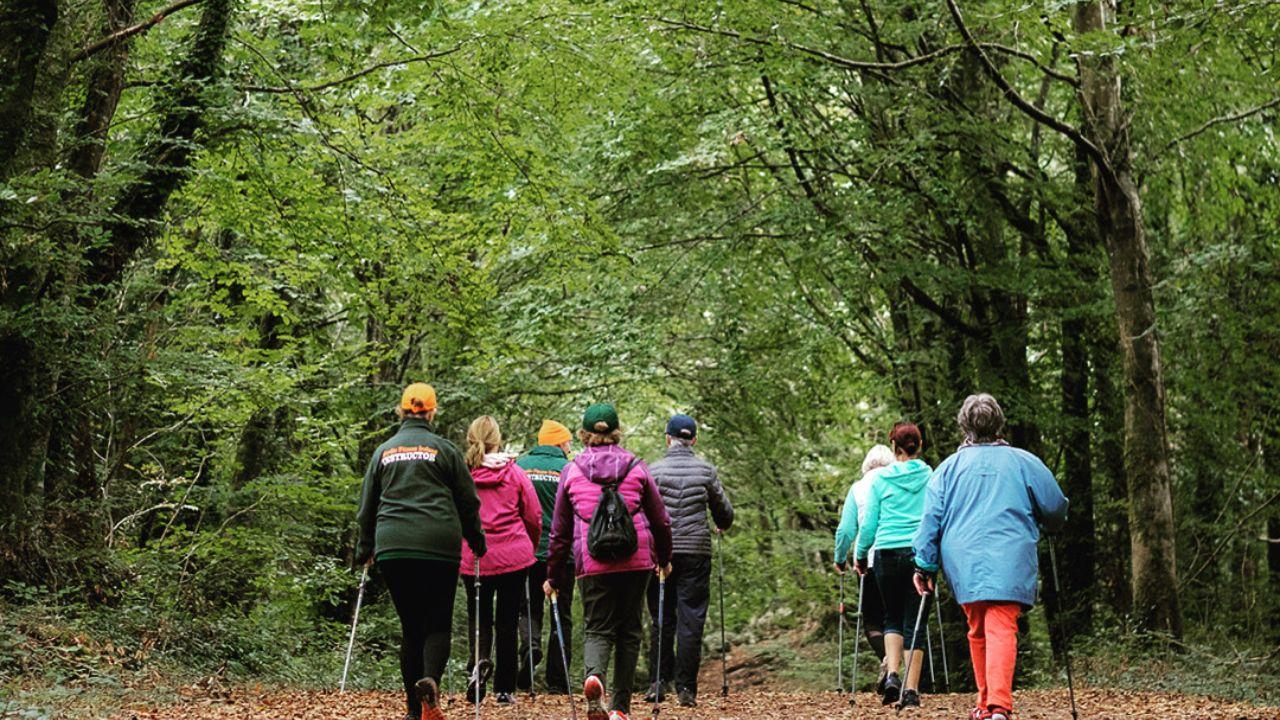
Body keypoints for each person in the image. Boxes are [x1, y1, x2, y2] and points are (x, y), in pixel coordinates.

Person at [913, 394, 1068, 720]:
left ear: (964, 427)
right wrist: (1049, 522)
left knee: (979, 627)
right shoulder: (1024, 462)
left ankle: (990, 705)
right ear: (999, 424)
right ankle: (996, 706)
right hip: (1010, 556)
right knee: (999, 626)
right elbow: (1055, 507)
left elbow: (930, 519)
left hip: (963, 561)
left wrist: (924, 564)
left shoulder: (947, 469)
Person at [355, 383, 485, 720]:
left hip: (394, 546)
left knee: (411, 626)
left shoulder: (383, 451)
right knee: (438, 622)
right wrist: (476, 538)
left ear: (401, 411)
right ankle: (431, 688)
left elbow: (367, 505)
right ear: (431, 411)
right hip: (438, 545)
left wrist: (365, 546)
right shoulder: (444, 450)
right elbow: (467, 500)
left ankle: (415, 711)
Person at [544, 403, 673, 720]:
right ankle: (620, 709)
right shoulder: (637, 467)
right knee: (629, 631)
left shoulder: (571, 471)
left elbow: (559, 533)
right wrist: (664, 559)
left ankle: (594, 678)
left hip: (592, 561)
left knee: (597, 628)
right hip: (636, 559)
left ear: (584, 434)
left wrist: (554, 577)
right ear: (616, 432)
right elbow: (661, 522)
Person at [645, 413, 734, 708]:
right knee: (691, 620)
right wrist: (720, 522)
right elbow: (725, 513)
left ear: (667, 437)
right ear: (693, 439)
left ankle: (658, 683)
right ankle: (686, 688)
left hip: (661, 553)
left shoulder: (653, 471)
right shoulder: (706, 471)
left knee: (661, 617)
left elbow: (642, 511)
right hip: (696, 551)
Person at [459, 415, 541, 706]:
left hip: (474, 556)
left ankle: (477, 670)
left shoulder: (463, 474)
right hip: (513, 556)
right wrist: (528, 544)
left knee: (478, 617)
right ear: (498, 439)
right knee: (508, 620)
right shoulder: (515, 472)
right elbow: (532, 515)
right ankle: (505, 689)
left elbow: (455, 512)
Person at [854, 421, 931, 708]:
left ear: (893, 448)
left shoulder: (880, 480)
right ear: (919, 446)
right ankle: (910, 692)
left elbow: (870, 524)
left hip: (884, 555)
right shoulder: (929, 475)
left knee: (891, 618)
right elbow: (934, 518)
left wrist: (861, 555)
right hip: (917, 555)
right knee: (916, 623)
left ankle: (893, 676)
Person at [516, 419, 575, 694]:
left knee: (528, 607)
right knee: (561, 613)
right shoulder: (569, 469)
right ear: (559, 442)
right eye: (568, 442)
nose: (570, 446)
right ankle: (558, 680)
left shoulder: (520, 466)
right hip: (561, 553)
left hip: (525, 551)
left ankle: (530, 646)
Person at [833, 443, 895, 693]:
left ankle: (889, 666)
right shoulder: (897, 484)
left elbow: (847, 530)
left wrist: (840, 558)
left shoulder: (858, 488)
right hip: (901, 555)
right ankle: (895, 669)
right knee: (899, 618)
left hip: (867, 561)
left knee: (872, 621)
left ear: (866, 465)